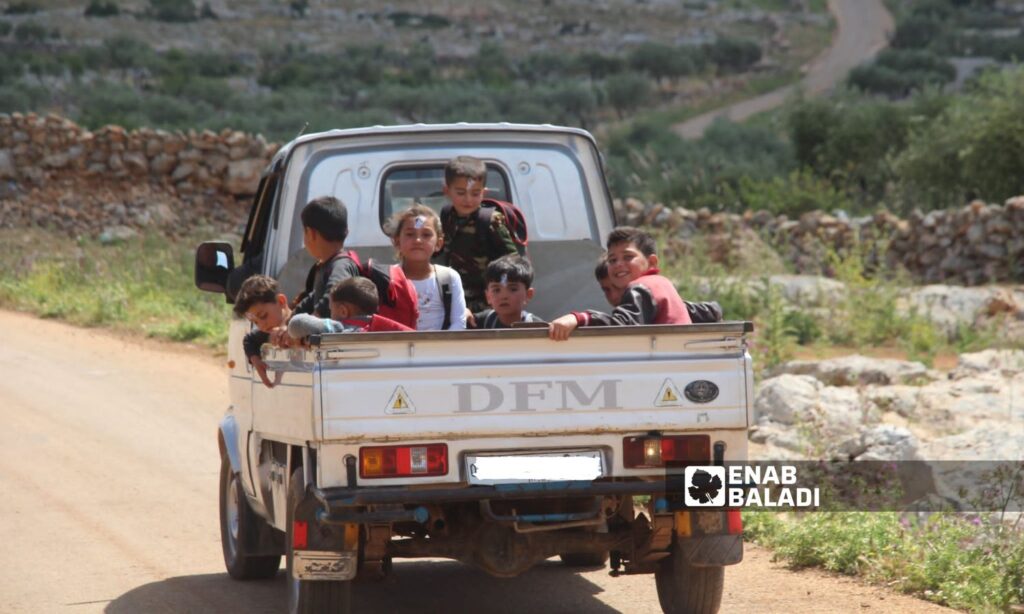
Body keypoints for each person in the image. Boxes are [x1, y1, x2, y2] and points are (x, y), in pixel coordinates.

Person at [549, 227, 691, 340]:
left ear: (652, 262)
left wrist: (581, 318)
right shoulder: (662, 283)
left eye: (628, 257)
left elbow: (622, 326)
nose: (618, 264)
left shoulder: (641, 288)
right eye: (612, 260)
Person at [437, 155, 519, 312]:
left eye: (475, 193)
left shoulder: (491, 220)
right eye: (461, 193)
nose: (468, 199)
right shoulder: (447, 216)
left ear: (484, 192)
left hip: (487, 302)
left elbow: (512, 260)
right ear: (446, 191)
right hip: (456, 298)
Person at [388, 204, 467, 330]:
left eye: (426, 235)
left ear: (439, 243)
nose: (418, 240)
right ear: (397, 241)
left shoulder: (448, 278)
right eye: (410, 234)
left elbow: (458, 323)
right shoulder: (388, 278)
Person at [595, 252, 723, 322]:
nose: (614, 296)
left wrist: (582, 318)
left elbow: (711, 311)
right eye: (606, 290)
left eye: (619, 287)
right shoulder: (631, 313)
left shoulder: (655, 303)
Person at [291, 196, 360, 319]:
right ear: (346, 232)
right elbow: (314, 296)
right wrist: (290, 319)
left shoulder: (340, 265)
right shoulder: (327, 264)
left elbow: (335, 293)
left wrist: (313, 320)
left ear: (310, 233)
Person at [287, 277, 413, 342]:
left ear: (343, 311)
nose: (330, 316)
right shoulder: (383, 333)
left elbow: (296, 324)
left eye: (331, 310)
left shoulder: (339, 328)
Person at [232, 274, 291, 388]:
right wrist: (256, 360)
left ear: (281, 301)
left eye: (263, 316)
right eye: (256, 322)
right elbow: (249, 340)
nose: (262, 326)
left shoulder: (303, 322)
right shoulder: (268, 332)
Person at [471, 255, 544, 329]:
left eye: (513, 289)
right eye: (496, 290)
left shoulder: (537, 327)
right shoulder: (478, 322)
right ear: (488, 296)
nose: (504, 296)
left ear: (528, 294)